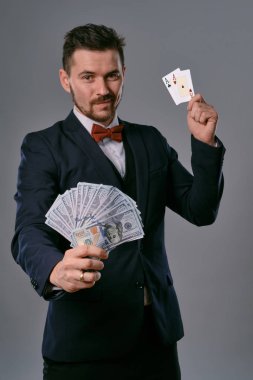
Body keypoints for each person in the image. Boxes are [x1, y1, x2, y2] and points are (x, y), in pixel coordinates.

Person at [11, 24, 225, 380]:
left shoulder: (151, 140)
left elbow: (200, 211)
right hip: (84, 343)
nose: (102, 89)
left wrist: (205, 145)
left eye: (111, 75)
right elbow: (28, 230)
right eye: (88, 77)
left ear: (123, 74)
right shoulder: (42, 146)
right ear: (66, 80)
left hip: (156, 339)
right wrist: (53, 269)